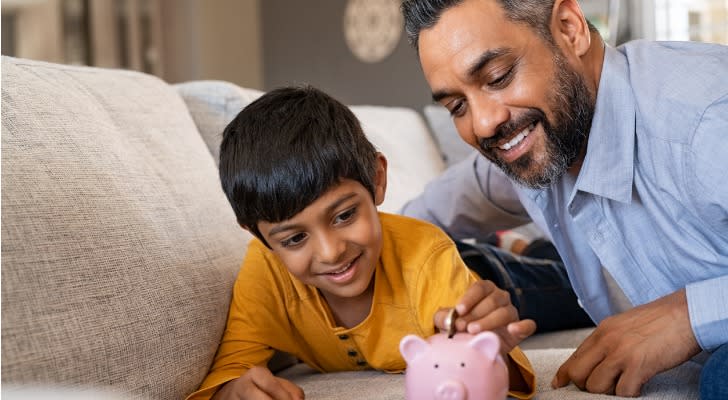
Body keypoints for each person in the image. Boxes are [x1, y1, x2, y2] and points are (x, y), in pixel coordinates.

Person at [400, 0, 728, 398]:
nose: (484, 122)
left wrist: (688, 315)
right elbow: (405, 227)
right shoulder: (525, 146)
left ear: (571, 29)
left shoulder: (707, 121)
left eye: (499, 77)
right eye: (457, 106)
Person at [186, 85, 537, 400]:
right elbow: (232, 367)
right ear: (259, 236)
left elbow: (491, 358)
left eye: (344, 216)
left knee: (554, 279)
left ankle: (523, 248)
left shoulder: (427, 256)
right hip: (452, 257)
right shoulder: (265, 273)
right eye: (295, 238)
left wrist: (493, 351)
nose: (331, 251)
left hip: (489, 275)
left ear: (377, 178)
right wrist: (232, 391)